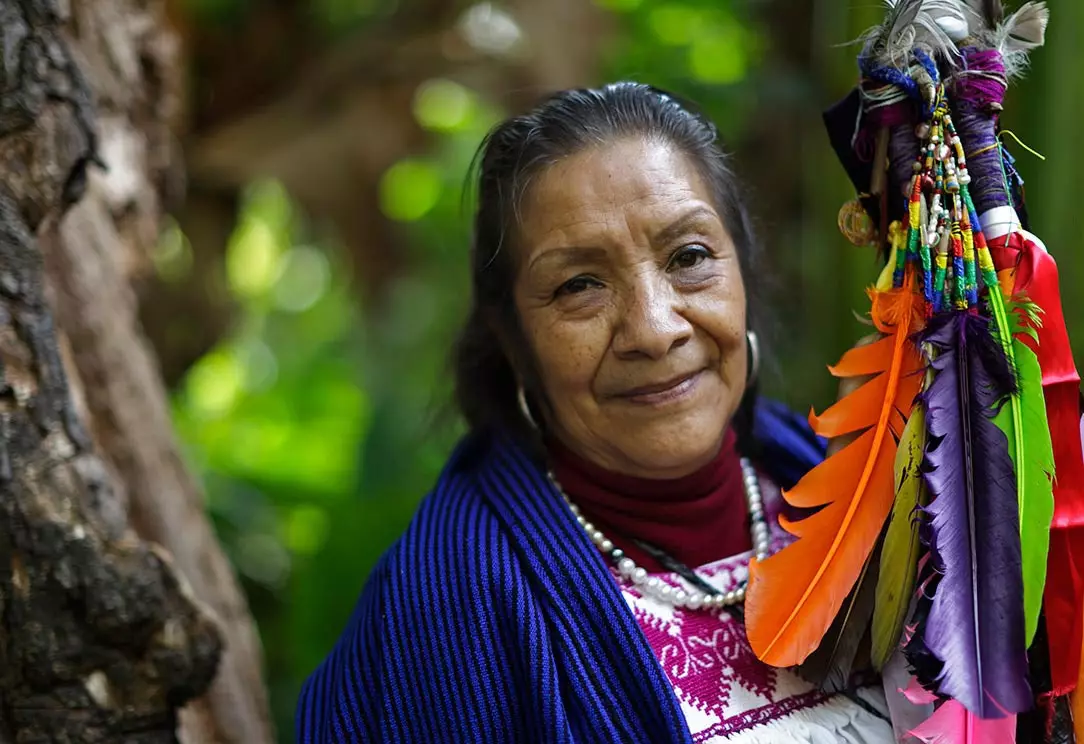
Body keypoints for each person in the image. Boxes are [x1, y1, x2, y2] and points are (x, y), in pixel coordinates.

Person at [296, 82, 896, 743]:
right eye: (580, 285)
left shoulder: (860, 496)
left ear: (743, 272)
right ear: (512, 341)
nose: (654, 329)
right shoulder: (448, 612)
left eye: (689, 257)